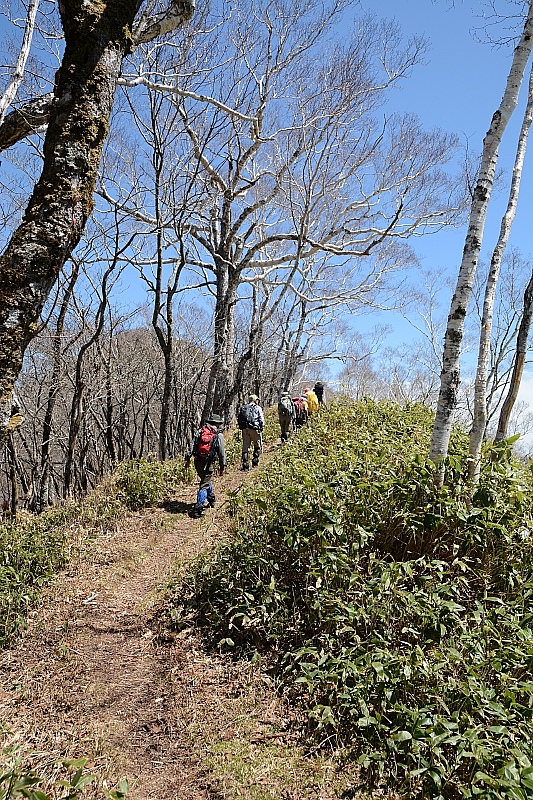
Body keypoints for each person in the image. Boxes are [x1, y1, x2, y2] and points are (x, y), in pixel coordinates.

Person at [185, 413, 226, 519]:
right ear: (217, 423)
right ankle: (198, 508)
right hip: (209, 463)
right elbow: (221, 453)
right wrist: (222, 467)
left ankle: (211, 498)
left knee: (205, 481)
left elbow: (192, 445)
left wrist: (187, 459)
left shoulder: (200, 431)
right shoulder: (218, 435)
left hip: (197, 462)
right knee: (204, 485)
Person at [238, 394, 264, 470]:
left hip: (245, 429)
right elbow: (261, 419)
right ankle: (255, 462)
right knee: (257, 445)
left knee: (245, 447)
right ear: (255, 400)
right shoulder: (257, 408)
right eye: (257, 400)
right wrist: (261, 427)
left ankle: (245, 465)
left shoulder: (244, 408)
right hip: (254, 429)